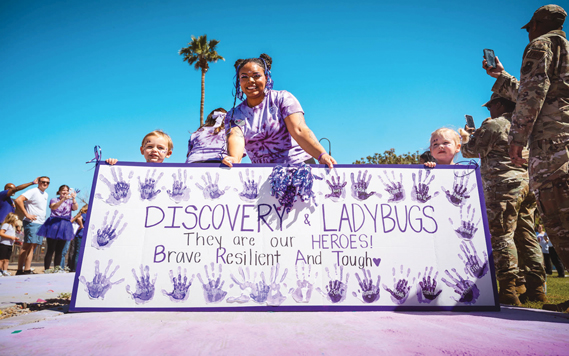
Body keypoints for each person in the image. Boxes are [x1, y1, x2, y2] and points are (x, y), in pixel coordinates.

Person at [483, 4, 569, 311]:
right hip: (561, 143)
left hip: (552, 148)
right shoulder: (565, 49)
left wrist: (517, 140)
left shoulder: (541, 45)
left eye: (530, 25)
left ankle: (514, 288)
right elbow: (538, 93)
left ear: (540, 23)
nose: (528, 31)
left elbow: (532, 96)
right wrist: (501, 75)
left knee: (560, 220)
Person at [460, 93, 545, 305]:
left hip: (503, 188)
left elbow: (469, 150)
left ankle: (508, 290)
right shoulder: (526, 124)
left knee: (501, 236)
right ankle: (537, 290)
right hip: (527, 185)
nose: (489, 111)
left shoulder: (495, 124)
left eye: (490, 107)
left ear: (499, 104)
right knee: (526, 237)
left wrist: (467, 137)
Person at [221, 54, 336, 169]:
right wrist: (234, 158)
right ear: (239, 81)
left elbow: (299, 130)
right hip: (262, 174)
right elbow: (236, 138)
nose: (250, 81)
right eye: (244, 77)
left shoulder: (282, 98)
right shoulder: (234, 114)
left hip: (299, 167)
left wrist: (321, 154)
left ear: (266, 78)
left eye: (256, 76)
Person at [14, 176, 50, 275]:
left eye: (47, 182)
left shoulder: (45, 194)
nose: (45, 184)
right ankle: (19, 270)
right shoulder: (33, 191)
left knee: (33, 246)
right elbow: (18, 200)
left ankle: (27, 269)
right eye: (43, 182)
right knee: (27, 245)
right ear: (38, 182)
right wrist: (26, 214)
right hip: (32, 222)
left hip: (40, 223)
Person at [38, 185, 78, 271]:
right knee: (51, 249)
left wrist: (73, 198)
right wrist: (63, 199)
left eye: (67, 190)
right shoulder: (54, 199)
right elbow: (54, 207)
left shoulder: (70, 202)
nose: (65, 192)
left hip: (65, 225)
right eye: (63, 190)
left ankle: (57, 268)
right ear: (59, 191)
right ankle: (47, 269)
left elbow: (75, 208)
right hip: (54, 224)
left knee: (60, 250)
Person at [106, 130, 173, 165]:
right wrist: (112, 164)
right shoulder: (135, 171)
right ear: (142, 150)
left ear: (168, 153)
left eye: (160, 148)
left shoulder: (172, 173)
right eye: (149, 146)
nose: (154, 150)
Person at [69, 204, 88, 272]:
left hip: (78, 235)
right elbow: (79, 219)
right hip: (81, 235)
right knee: (78, 252)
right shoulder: (85, 215)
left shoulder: (81, 214)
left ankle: (73, 267)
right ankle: (76, 269)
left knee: (76, 252)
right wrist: (81, 225)